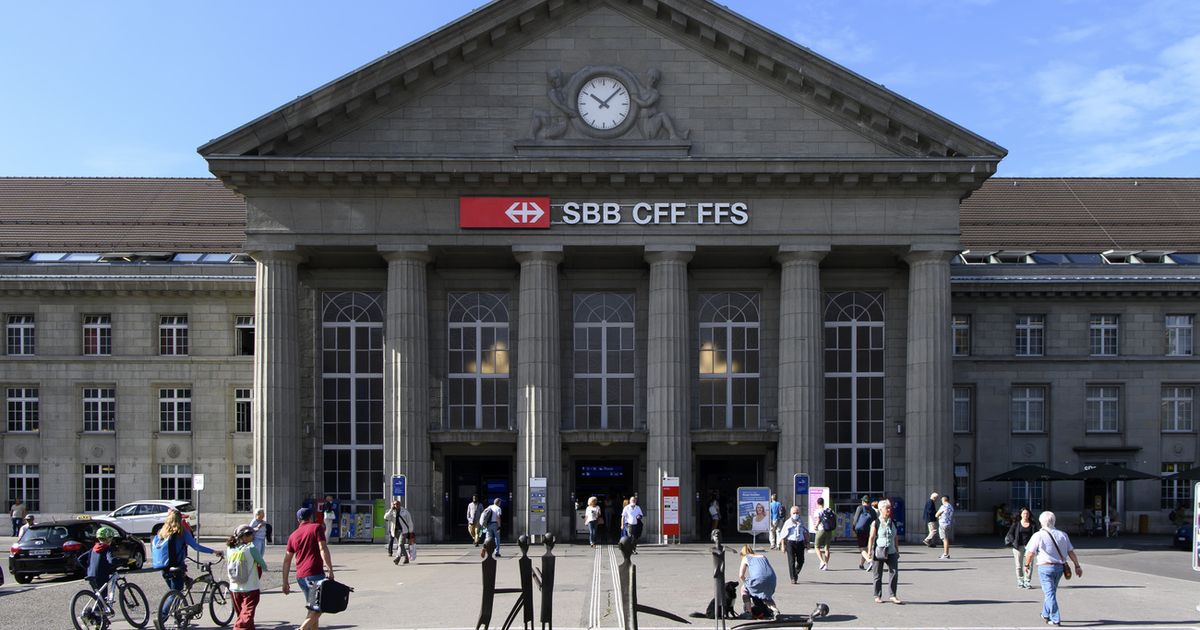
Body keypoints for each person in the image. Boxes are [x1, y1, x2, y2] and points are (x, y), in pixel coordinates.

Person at [158, 508, 223, 625]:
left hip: (164, 567)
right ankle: (161, 618)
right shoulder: (181, 532)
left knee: (175, 592)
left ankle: (178, 617)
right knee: (174, 594)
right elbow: (196, 547)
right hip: (177, 567)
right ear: (180, 519)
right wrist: (214, 551)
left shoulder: (162, 532)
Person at [1024, 511, 1082, 627]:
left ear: (1041, 522)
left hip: (1044, 567)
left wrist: (1026, 565)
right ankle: (1045, 614)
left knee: (1049, 593)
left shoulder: (1038, 535)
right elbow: (1070, 551)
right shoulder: (1062, 535)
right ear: (1054, 521)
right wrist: (1077, 565)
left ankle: (1055, 618)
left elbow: (1030, 553)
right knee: (1051, 592)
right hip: (1059, 567)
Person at [282, 507, 335, 630]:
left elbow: (287, 560)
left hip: (301, 577)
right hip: (314, 573)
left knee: (313, 608)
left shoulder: (293, 535)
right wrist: (330, 569)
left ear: (298, 520)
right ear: (310, 517)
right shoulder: (316, 527)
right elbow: (323, 548)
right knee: (320, 607)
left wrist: (285, 582)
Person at [227, 524, 268, 630]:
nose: (252, 536)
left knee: (242, 615)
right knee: (245, 618)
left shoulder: (230, 549)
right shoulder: (251, 549)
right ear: (243, 536)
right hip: (250, 588)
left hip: (234, 588)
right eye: (250, 534)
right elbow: (263, 564)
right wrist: (260, 566)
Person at [866, 498, 902, 604]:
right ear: (881, 509)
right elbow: (871, 537)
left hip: (891, 551)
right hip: (879, 551)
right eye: (887, 508)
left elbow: (895, 537)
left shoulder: (892, 522)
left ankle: (893, 595)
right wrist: (869, 551)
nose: (889, 510)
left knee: (894, 572)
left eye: (890, 508)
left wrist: (897, 550)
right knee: (877, 574)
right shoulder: (875, 522)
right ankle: (877, 595)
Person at [737, 544, 780, 619]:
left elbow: (741, 575)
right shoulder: (762, 556)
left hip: (758, 579)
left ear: (742, 554)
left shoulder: (745, 558)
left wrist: (745, 583)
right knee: (766, 596)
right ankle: (775, 610)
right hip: (772, 579)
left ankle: (748, 612)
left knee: (744, 589)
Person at [1005, 506, 1039, 589]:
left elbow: (1037, 535)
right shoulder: (1016, 524)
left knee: (1029, 565)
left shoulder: (1033, 524)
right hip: (1018, 547)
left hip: (1030, 547)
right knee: (1019, 565)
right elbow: (1010, 534)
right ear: (1020, 514)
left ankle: (1027, 580)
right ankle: (1020, 580)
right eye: (1024, 513)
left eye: (1027, 513)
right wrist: (1013, 542)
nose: (1026, 515)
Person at [777, 505, 808, 584]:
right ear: (791, 514)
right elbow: (783, 535)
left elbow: (805, 532)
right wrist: (783, 546)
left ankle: (796, 572)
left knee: (801, 561)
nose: (795, 514)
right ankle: (793, 578)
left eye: (797, 513)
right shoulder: (788, 522)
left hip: (800, 542)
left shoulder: (801, 521)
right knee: (791, 561)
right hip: (790, 543)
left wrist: (807, 542)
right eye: (794, 513)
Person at [85, 525, 119, 594]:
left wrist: (89, 568)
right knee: (102, 599)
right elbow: (111, 560)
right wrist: (123, 561)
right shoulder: (106, 548)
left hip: (91, 574)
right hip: (101, 575)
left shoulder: (93, 549)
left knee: (98, 596)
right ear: (109, 539)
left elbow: (80, 559)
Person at [851, 495, 877, 570]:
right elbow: (875, 521)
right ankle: (861, 564)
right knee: (865, 547)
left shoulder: (860, 508)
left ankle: (869, 561)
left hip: (860, 530)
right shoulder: (872, 510)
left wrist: (854, 528)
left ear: (863, 501)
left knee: (861, 548)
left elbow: (855, 519)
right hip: (869, 531)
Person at [812, 497, 835, 571]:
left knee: (816, 546)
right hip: (828, 530)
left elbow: (818, 519)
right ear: (823, 503)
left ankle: (822, 562)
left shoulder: (817, 511)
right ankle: (826, 564)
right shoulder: (827, 510)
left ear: (817, 503)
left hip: (821, 530)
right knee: (827, 548)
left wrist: (815, 526)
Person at [390, 499, 413, 565]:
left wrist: (410, 531)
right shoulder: (392, 512)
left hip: (404, 531)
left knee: (400, 544)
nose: (396, 505)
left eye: (397, 504)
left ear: (400, 505)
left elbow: (409, 522)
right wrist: (391, 509)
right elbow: (386, 517)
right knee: (400, 545)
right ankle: (406, 558)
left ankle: (398, 558)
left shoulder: (405, 512)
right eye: (394, 504)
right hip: (395, 531)